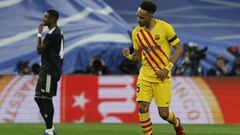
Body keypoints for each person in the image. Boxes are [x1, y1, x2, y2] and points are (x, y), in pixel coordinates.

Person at [122, 1, 185, 135]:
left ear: (150, 16)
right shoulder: (137, 33)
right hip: (145, 75)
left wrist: (167, 68)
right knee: (143, 108)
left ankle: (177, 122)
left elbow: (179, 48)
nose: (138, 20)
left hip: (162, 77)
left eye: (142, 17)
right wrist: (129, 56)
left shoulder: (165, 28)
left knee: (163, 114)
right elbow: (138, 57)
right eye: (138, 16)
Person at [35, 9, 64, 135]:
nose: (43, 19)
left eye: (46, 17)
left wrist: (39, 34)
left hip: (50, 70)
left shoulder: (54, 34)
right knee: (38, 96)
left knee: (46, 98)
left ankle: (49, 130)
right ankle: (50, 128)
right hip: (45, 69)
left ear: (52, 19)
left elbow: (39, 50)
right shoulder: (54, 32)